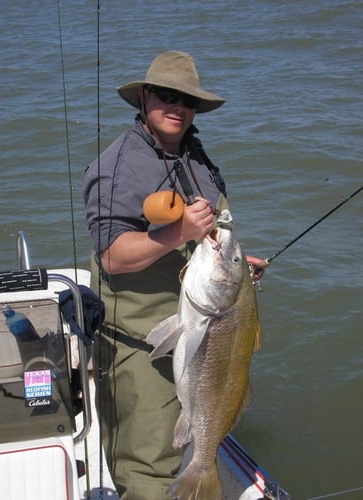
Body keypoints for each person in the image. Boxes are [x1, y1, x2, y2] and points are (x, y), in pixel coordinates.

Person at [83, 51, 264, 499]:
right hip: (142, 344)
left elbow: (208, 238)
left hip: (202, 327)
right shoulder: (118, 167)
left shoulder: (192, 152)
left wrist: (235, 266)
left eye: (187, 100)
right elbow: (112, 256)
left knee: (194, 441)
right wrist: (177, 233)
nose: (177, 107)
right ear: (143, 99)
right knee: (146, 471)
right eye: (166, 96)